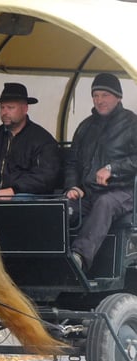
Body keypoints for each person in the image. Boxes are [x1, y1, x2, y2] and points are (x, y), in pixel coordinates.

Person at [65, 73, 137, 272]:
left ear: (118, 97)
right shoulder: (85, 126)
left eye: (105, 95)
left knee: (104, 204)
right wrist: (73, 186)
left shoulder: (132, 124)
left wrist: (112, 169)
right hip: (88, 192)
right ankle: (47, 258)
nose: (99, 100)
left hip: (124, 193)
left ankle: (78, 259)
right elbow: (72, 162)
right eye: (95, 95)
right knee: (62, 208)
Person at [0, 82, 61, 199]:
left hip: (25, 198)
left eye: (10, 107)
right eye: (2, 107)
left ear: (25, 109)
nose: (4, 112)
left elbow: (46, 176)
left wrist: (13, 190)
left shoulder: (42, 140)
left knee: (21, 198)